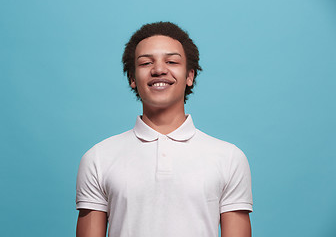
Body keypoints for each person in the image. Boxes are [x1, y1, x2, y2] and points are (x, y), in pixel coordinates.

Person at [75, 21, 253, 237]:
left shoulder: (230, 158)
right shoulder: (98, 158)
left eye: (171, 61)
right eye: (145, 63)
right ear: (132, 78)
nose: (159, 69)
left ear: (190, 76)